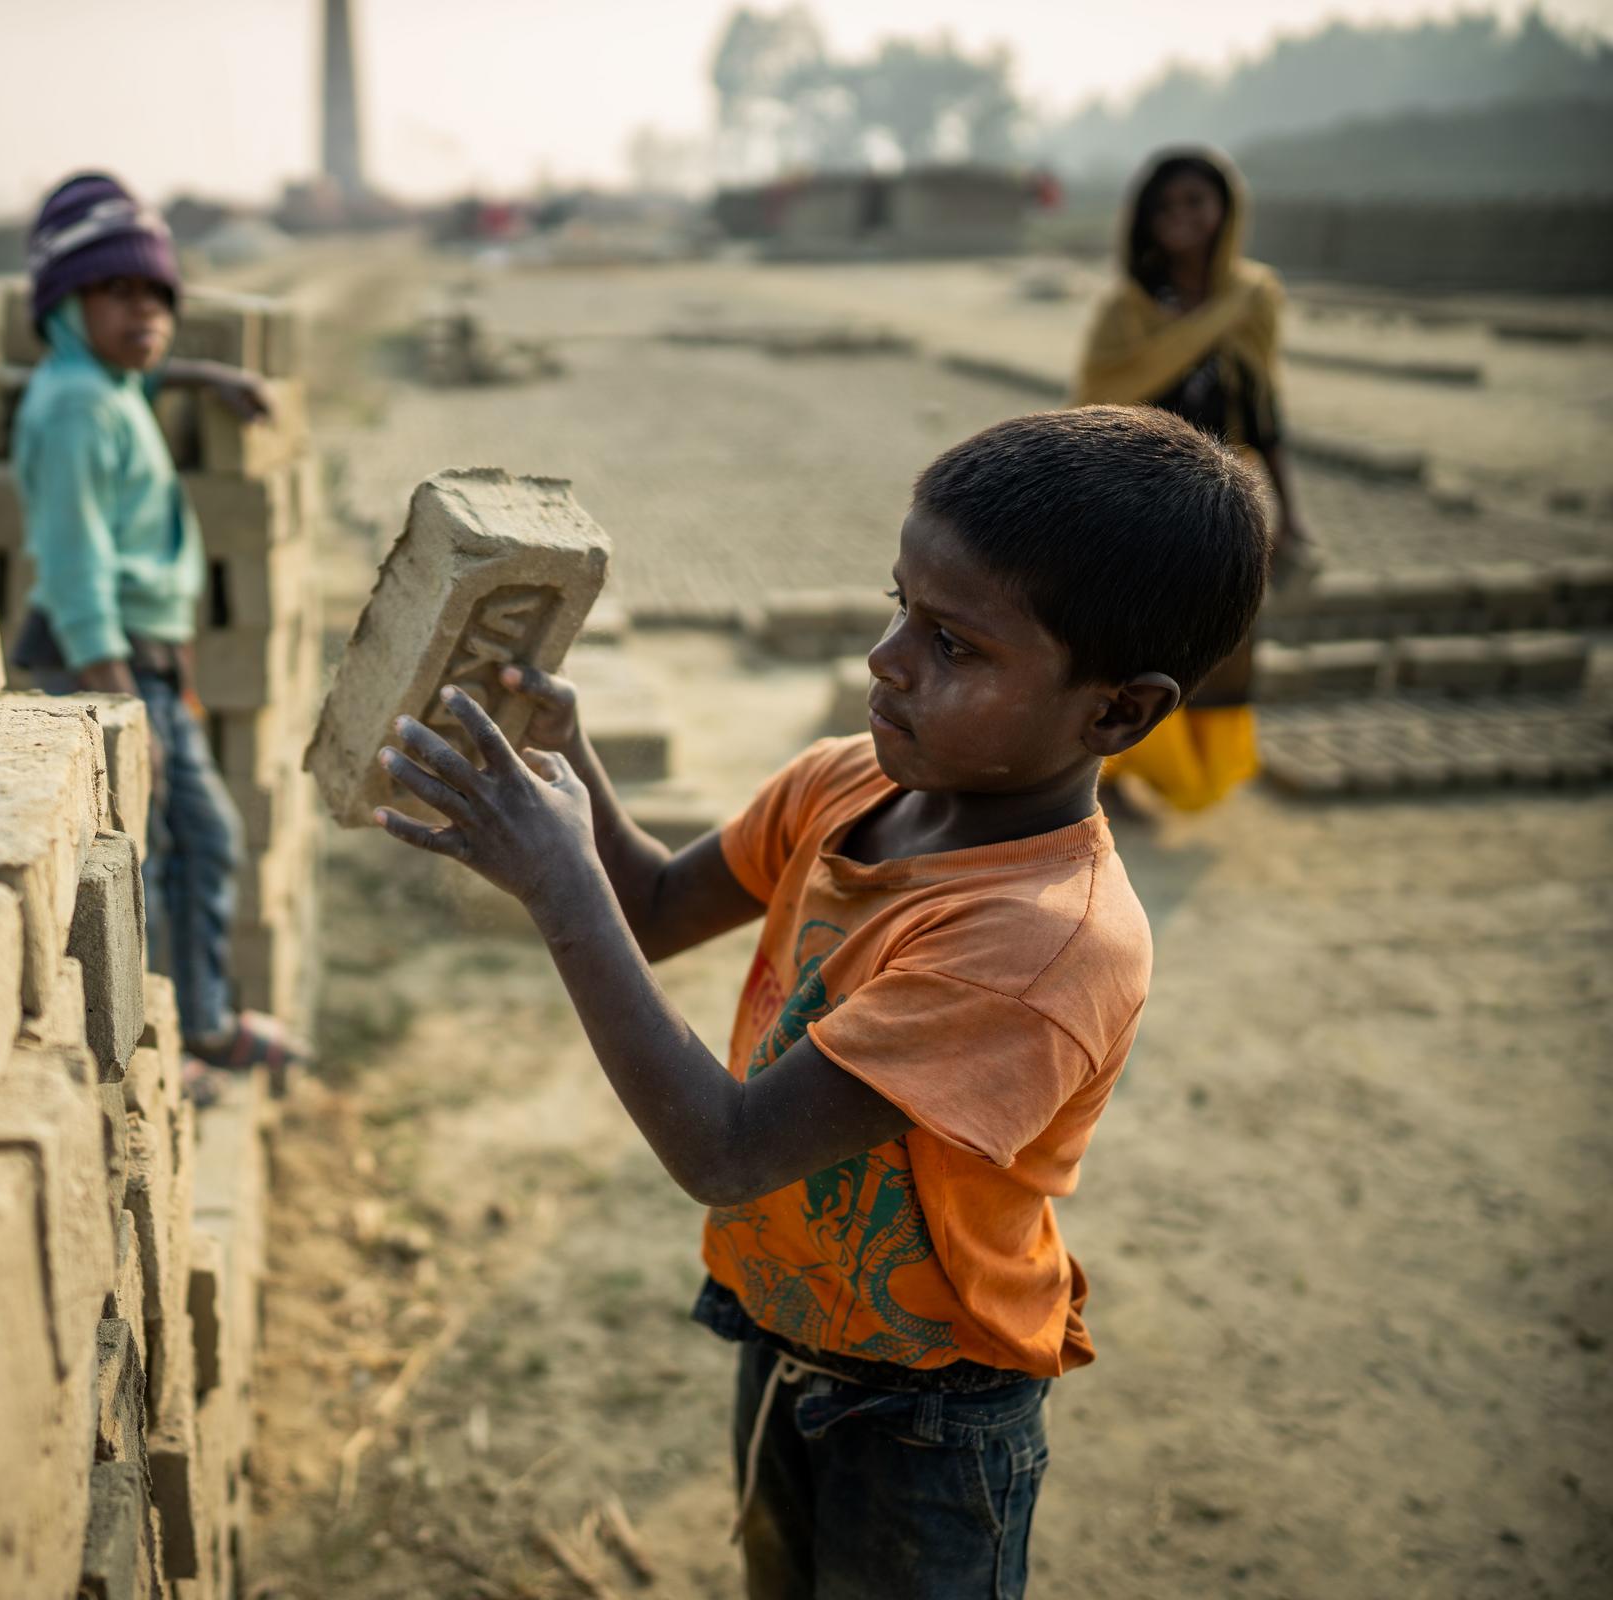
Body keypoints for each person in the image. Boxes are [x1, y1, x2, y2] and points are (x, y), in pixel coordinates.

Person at [373, 407, 1270, 1598]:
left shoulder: (1043, 944)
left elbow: (728, 1148)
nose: (887, 658)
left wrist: (557, 886)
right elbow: (648, 905)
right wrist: (570, 765)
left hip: (931, 1416)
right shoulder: (847, 779)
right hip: (792, 1335)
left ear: (1117, 712)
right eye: (897, 603)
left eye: (954, 644)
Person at [12, 172, 308, 1082]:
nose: (144, 311)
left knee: (186, 839)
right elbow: (72, 558)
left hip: (142, 662)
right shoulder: (75, 410)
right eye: (117, 292)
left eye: (157, 295)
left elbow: (131, 374)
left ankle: (194, 1021)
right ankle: (188, 1034)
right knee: (180, 844)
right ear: (66, 304)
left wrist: (201, 375)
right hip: (106, 663)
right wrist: (117, 699)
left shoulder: (100, 385)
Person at [1074, 146, 1312, 811]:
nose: (1182, 217)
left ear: (1226, 211)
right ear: (1144, 219)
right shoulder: (1127, 311)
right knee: (1135, 640)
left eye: (1196, 202)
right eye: (1166, 205)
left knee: (1218, 641)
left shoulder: (1252, 300)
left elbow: (1265, 414)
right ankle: (1116, 775)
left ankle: (1190, 773)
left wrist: (1291, 512)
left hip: (1221, 502)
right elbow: (1097, 408)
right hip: (1138, 502)